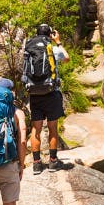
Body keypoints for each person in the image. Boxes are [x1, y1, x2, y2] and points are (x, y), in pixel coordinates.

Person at [22, 24, 71, 173]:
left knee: (36, 130)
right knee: (52, 128)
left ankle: (37, 164)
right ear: (50, 35)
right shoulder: (52, 48)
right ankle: (53, 162)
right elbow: (67, 58)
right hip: (51, 93)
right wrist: (58, 42)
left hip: (34, 93)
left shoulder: (29, 49)